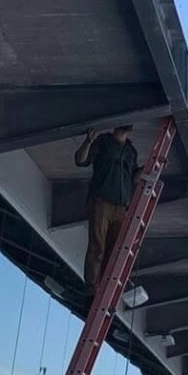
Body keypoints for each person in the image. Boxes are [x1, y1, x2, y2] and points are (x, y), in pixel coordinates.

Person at [75, 124, 140, 295]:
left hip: (121, 206)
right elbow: (81, 160)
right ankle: (92, 289)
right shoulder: (103, 142)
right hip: (101, 201)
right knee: (97, 247)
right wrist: (88, 142)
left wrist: (152, 168)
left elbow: (133, 177)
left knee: (114, 252)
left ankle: (104, 289)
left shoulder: (131, 151)